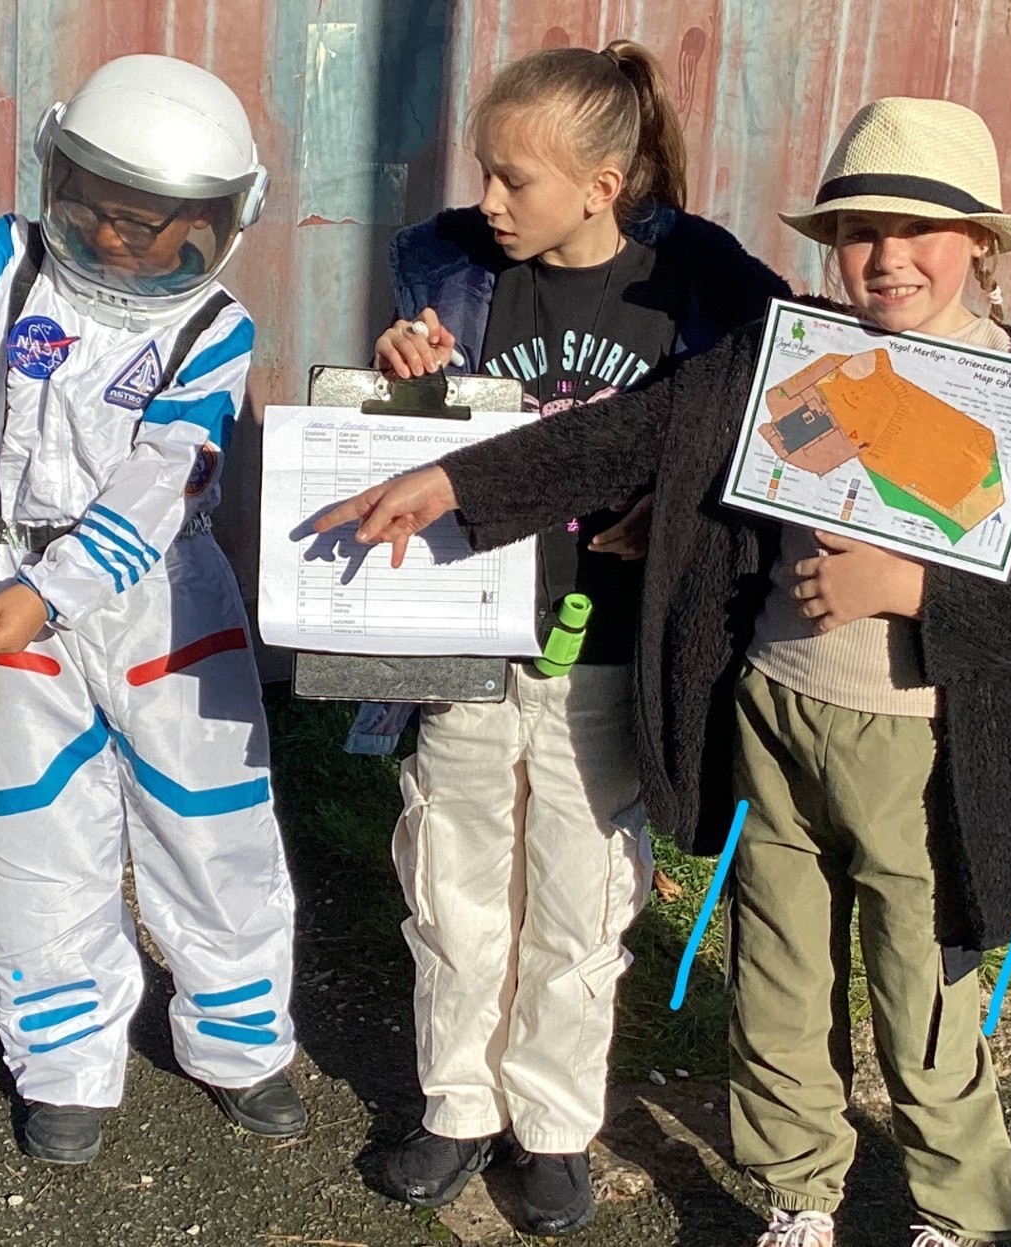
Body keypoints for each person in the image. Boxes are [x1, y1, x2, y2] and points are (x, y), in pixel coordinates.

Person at [317, 98, 1011, 1247]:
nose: (884, 258)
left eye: (915, 232)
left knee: (921, 997)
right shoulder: (791, 353)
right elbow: (624, 435)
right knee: (778, 982)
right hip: (776, 717)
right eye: (857, 233)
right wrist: (454, 487)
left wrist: (909, 589)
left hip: (923, 744)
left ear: (981, 244)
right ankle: (801, 1189)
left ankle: (963, 1210)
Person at [0, 54, 306, 1163]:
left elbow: (164, 480)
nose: (121, 243)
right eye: (100, 209)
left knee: (211, 833)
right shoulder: (7, 261)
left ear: (219, 220)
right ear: (62, 176)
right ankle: (66, 1067)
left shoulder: (213, 329)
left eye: (159, 227)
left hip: (160, 599)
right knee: (32, 835)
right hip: (10, 582)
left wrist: (52, 594)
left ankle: (241, 1046)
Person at [351, 40, 786, 1236]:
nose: (489, 202)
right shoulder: (453, 275)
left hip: (611, 656)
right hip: (471, 638)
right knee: (451, 881)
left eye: (517, 182)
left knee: (581, 901)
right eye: (484, 174)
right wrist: (404, 371)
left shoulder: (697, 294)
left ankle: (551, 1125)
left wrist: (690, 501)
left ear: (601, 181)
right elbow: (415, 441)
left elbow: (772, 423)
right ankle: (454, 1103)